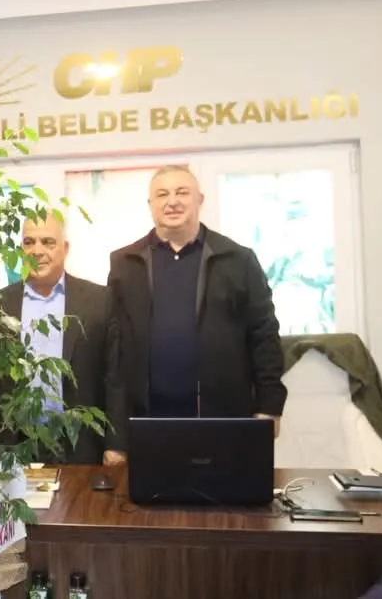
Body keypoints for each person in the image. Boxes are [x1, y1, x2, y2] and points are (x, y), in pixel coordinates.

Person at [106, 164, 286, 454]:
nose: (172, 201)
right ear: (150, 204)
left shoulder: (237, 260)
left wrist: (270, 405)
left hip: (223, 419)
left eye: (182, 192)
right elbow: (114, 354)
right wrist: (115, 436)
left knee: (225, 486)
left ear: (199, 200)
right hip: (146, 421)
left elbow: (264, 336)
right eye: (162, 194)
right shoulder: (124, 264)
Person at [0, 214, 124, 465]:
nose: (37, 251)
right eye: (29, 242)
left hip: (80, 443)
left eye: (48, 242)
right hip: (14, 445)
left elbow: (116, 377)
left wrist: (116, 444)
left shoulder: (99, 301)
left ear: (65, 248)